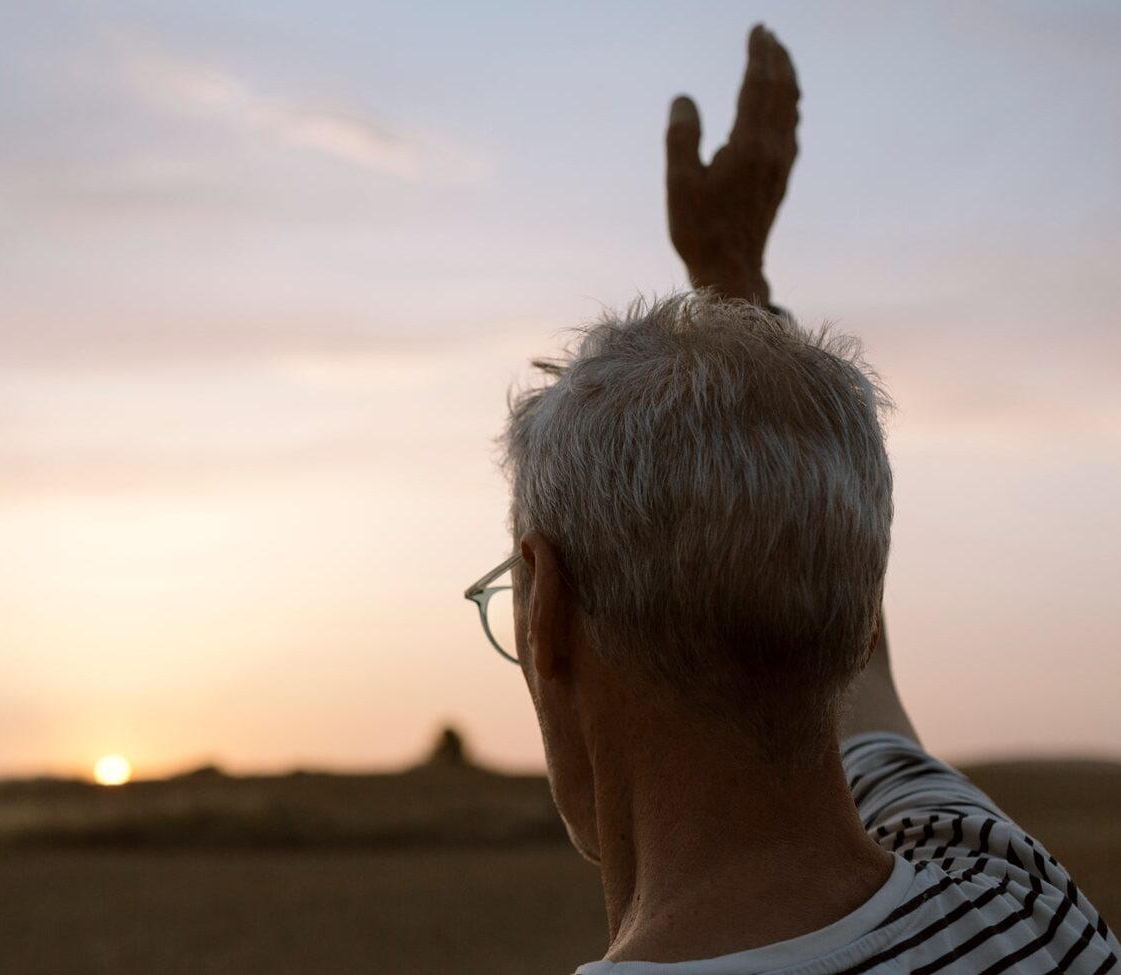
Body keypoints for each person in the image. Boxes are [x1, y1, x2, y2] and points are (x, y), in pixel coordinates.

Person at [466, 24, 1121, 974]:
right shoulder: (1019, 898)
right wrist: (735, 284)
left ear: (546, 612)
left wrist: (727, 277)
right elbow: (863, 679)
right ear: (850, 614)